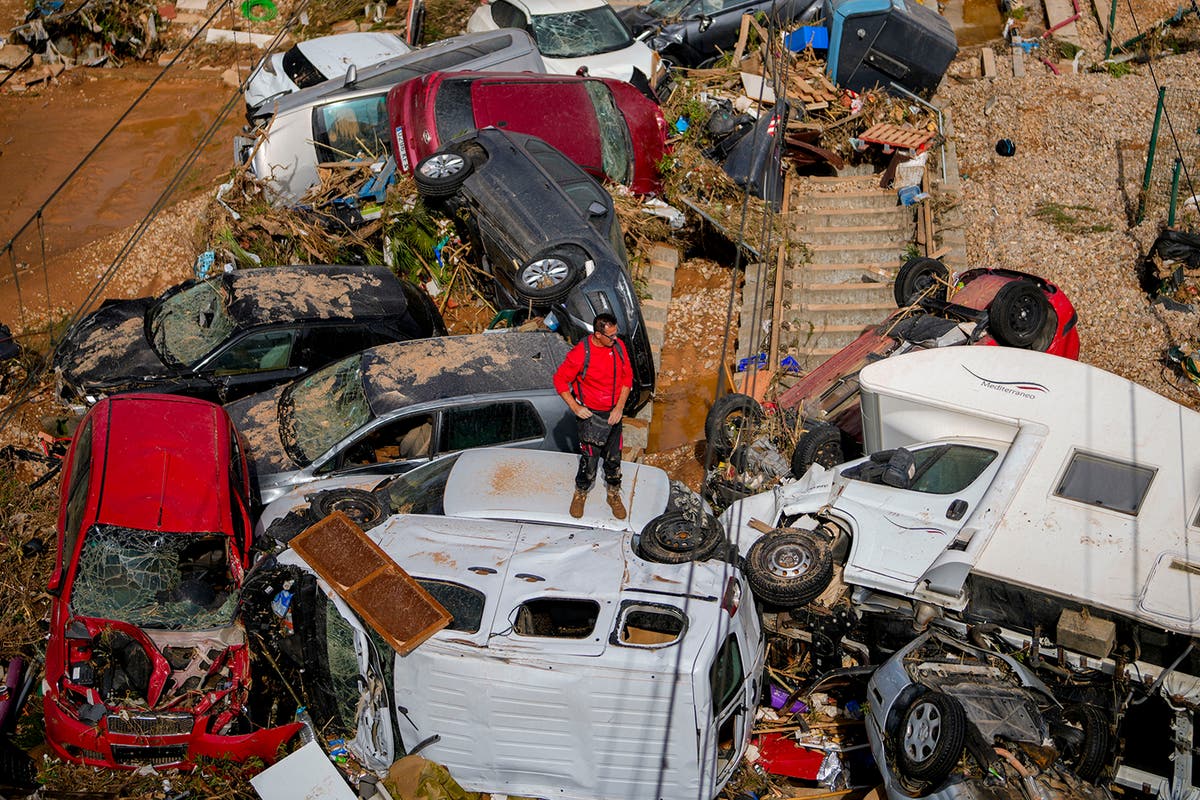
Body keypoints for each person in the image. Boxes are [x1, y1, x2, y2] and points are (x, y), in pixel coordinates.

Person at [553, 313, 633, 520]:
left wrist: (619, 408)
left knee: (614, 459)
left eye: (616, 334)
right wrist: (575, 407)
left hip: (613, 414)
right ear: (598, 334)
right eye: (611, 336)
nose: (615, 339)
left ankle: (613, 494)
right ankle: (581, 493)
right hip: (591, 416)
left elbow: (627, 378)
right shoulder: (581, 353)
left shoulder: (618, 347)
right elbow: (560, 380)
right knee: (589, 461)